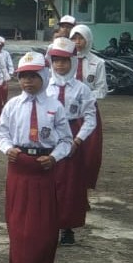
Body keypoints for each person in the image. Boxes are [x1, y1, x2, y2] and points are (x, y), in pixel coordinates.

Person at [0, 51, 73, 263]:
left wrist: (54, 157)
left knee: (43, 224)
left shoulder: (54, 106)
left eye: (33, 76)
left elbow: (66, 140)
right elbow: (2, 134)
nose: (27, 81)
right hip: (19, 166)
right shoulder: (12, 105)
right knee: (18, 222)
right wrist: (8, 149)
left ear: (44, 75)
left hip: (44, 167)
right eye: (23, 76)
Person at [45, 37, 96, 247]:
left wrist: (77, 140)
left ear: (73, 61)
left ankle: (67, 227)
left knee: (70, 184)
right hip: (50, 137)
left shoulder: (82, 89)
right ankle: (48, 224)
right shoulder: (45, 87)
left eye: (65, 60)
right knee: (49, 182)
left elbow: (90, 118)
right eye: (56, 60)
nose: (60, 65)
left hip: (73, 134)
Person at [69, 24, 106, 190]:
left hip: (89, 110)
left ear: (88, 39)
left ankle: (84, 186)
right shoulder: (65, 61)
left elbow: (102, 90)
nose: (77, 42)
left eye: (81, 38)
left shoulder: (97, 62)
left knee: (90, 152)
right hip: (68, 111)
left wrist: (84, 97)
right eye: (74, 38)